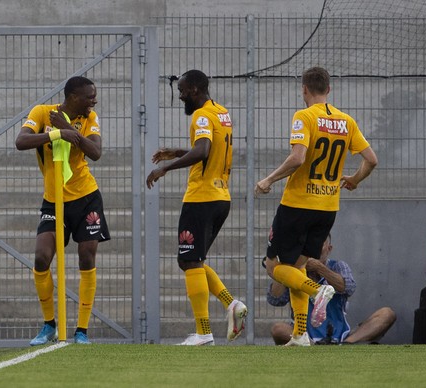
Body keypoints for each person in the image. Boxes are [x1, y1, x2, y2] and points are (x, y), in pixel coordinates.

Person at [255, 66, 378, 346]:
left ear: (304, 90)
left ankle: (316, 291)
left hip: (298, 204)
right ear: (329, 90)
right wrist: (355, 180)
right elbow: (371, 159)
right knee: (297, 266)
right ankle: (300, 334)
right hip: (327, 208)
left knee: (273, 266)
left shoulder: (304, 116)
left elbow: (298, 158)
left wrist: (269, 179)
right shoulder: (346, 121)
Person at [146, 69, 247, 346]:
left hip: (201, 197)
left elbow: (202, 151)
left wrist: (165, 168)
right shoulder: (221, 113)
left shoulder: (202, 115)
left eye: (181, 91)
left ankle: (203, 332)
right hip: (221, 197)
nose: (179, 96)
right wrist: (179, 152)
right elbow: (209, 150)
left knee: (189, 261)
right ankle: (231, 304)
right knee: (191, 260)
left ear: (194, 90)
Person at [15, 76, 111, 345]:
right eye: (89, 96)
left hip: (86, 198)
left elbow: (95, 152)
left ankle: (81, 331)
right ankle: (49, 325)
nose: (94, 100)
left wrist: (71, 130)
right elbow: (21, 141)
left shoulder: (90, 118)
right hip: (53, 200)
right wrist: (57, 133)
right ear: (72, 97)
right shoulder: (42, 113)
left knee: (86, 258)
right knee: (41, 259)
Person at [265, 234, 396, 345]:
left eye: (318, 245)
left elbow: (348, 288)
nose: (313, 250)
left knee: (387, 314)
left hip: (342, 335)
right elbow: (275, 300)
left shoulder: (338, 266)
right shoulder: (293, 272)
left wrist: (319, 268)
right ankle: (310, 344)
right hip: (304, 335)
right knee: (278, 329)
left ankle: (347, 344)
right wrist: (282, 270)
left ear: (329, 249)